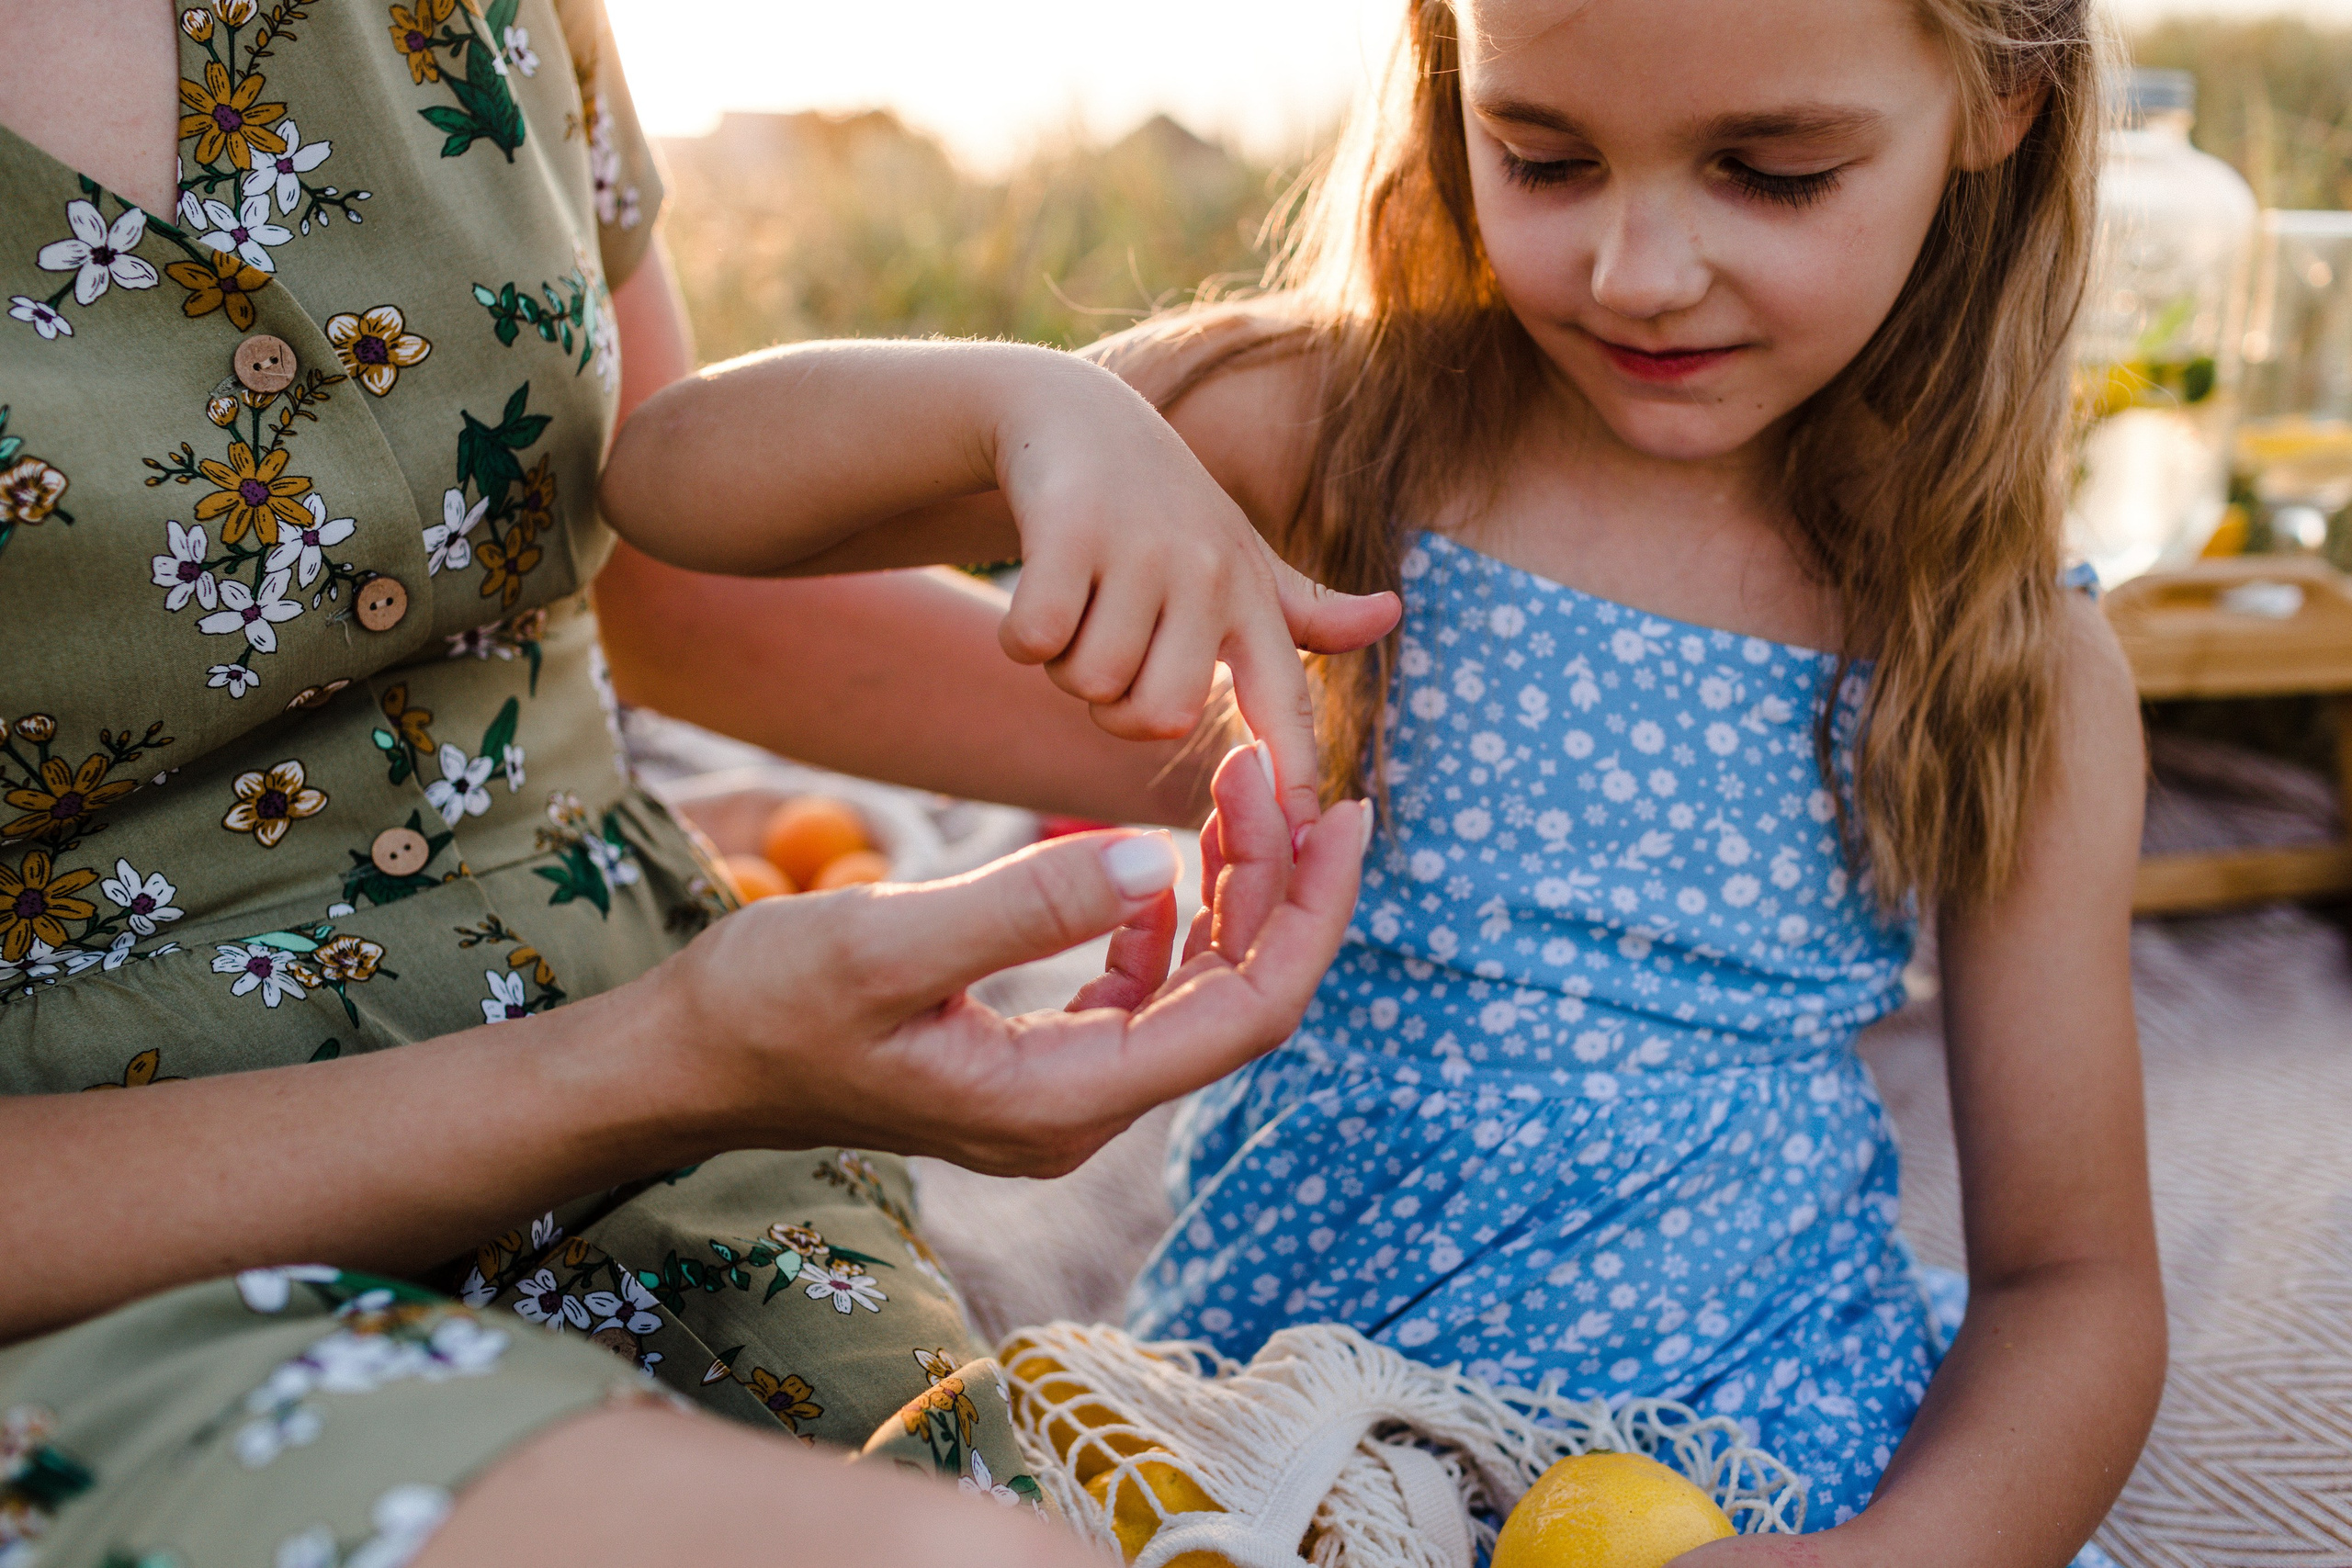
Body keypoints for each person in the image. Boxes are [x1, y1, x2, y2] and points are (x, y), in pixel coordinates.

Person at [729, 0, 2162, 1559]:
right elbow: (683, 482)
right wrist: (1037, 405)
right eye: (1544, 158)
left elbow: (2071, 1282)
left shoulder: (2012, 650)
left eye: (1771, 170)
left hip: (1751, 1478)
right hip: (1278, 1450)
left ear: (2003, 95)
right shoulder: (1342, 428)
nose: (1638, 272)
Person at [0, 1, 1391, 1562]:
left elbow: (658, 582)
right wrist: (661, 1062)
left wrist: (1328, 774)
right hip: (104, 1278)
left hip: (688, 1129)